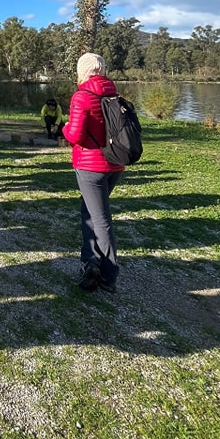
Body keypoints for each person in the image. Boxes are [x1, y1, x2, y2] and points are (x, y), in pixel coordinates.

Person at [63, 52, 124, 293]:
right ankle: (91, 263)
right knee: (90, 212)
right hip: (114, 165)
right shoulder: (114, 94)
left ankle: (109, 275)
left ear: (83, 70)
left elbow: (76, 135)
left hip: (90, 166)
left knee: (100, 219)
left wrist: (65, 128)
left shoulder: (82, 96)